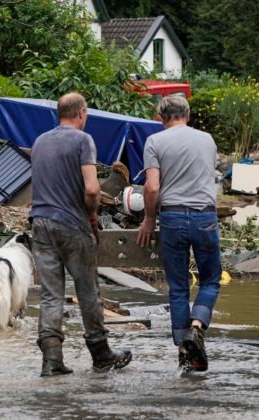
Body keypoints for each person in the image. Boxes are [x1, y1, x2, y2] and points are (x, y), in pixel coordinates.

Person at [29, 92, 132, 377]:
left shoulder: (40, 141)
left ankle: (52, 361)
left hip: (39, 224)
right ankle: (101, 355)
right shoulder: (83, 140)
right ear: (82, 113)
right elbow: (91, 189)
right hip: (72, 225)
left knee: (51, 295)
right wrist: (92, 214)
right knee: (87, 290)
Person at [136, 96, 221, 372]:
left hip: (172, 216)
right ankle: (198, 324)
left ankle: (185, 349)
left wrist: (149, 219)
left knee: (179, 287)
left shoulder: (155, 142)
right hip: (205, 216)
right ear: (188, 114)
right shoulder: (207, 139)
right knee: (210, 279)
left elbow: (151, 188)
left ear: (161, 117)